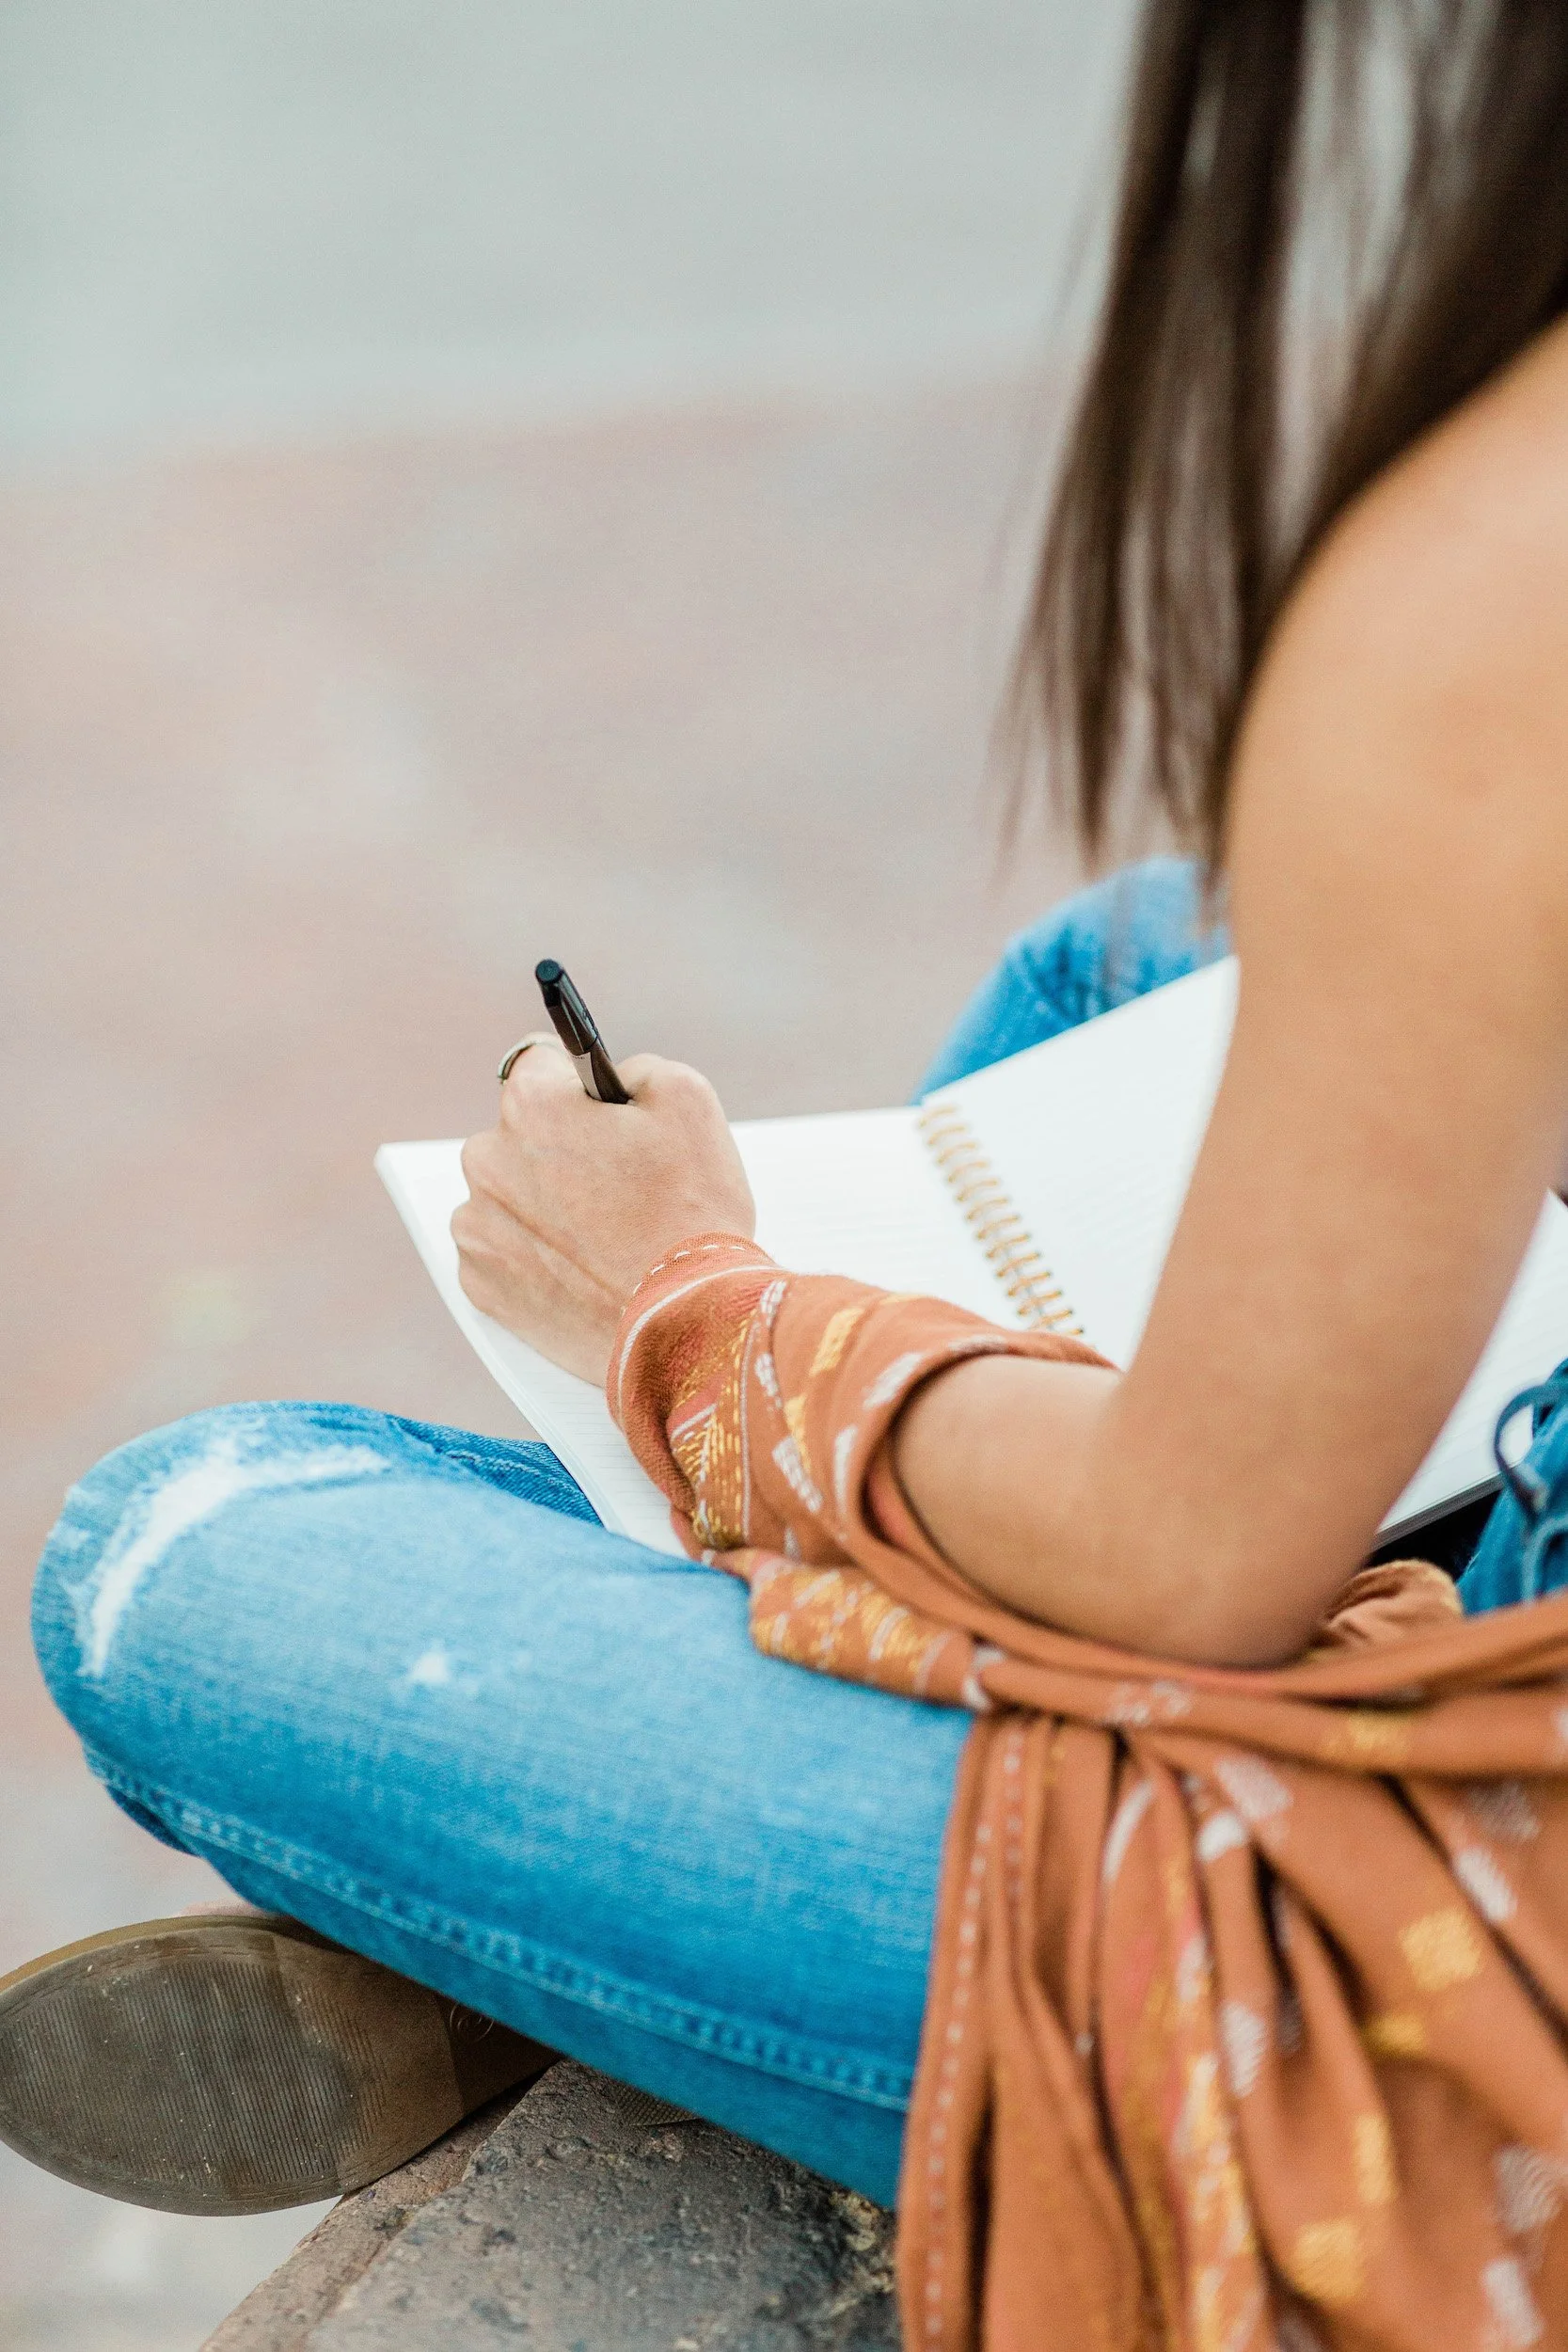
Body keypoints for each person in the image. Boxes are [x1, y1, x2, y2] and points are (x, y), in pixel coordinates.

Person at [8, 0, 1568, 2274]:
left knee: (178, 1547)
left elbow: (1191, 1565)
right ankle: (646, 1874)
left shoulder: (1487, 587)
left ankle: (602, 1923)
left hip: (1467, 1952)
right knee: (1124, 961)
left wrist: (697, 1316)